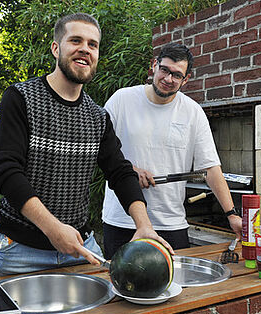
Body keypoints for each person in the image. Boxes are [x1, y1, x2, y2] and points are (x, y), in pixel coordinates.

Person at [0, 13, 170, 277]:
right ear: (55, 48)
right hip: (20, 251)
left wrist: (143, 225)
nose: (85, 48)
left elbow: (119, 172)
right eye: (75, 40)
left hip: (80, 248)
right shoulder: (20, 98)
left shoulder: (97, 117)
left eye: (92, 44)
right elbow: (5, 172)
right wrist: (53, 229)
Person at [101, 42, 242, 258]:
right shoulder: (122, 99)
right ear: (154, 65)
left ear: (185, 80)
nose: (168, 79)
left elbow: (211, 169)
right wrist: (129, 170)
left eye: (177, 75)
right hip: (122, 220)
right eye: (165, 70)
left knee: (176, 288)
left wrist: (231, 214)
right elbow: (98, 149)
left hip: (171, 224)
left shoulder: (193, 112)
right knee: (120, 287)